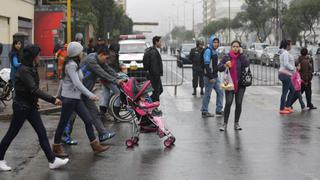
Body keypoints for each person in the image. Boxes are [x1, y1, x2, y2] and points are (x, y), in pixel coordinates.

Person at [0, 45, 69, 171]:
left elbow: (31, 91)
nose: (39, 57)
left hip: (29, 106)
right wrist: (53, 100)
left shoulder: (31, 68)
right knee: (12, 133)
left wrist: (35, 102)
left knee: (41, 132)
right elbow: (33, 89)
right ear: (32, 57)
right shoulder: (24, 70)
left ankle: (52, 160)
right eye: (37, 55)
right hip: (22, 107)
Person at [53, 42, 108, 158]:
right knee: (62, 123)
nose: (83, 53)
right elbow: (77, 83)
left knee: (88, 120)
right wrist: (90, 95)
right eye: (81, 51)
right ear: (77, 53)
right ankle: (56, 147)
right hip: (68, 99)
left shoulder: (76, 64)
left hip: (76, 99)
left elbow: (64, 81)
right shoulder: (71, 65)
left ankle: (95, 145)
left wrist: (57, 95)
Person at [218, 40, 249, 131]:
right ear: (231, 47)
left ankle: (236, 123)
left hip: (240, 84)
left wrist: (242, 54)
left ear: (240, 47)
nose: (235, 48)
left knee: (238, 103)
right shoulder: (226, 57)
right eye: (234, 46)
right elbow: (219, 68)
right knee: (228, 103)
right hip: (230, 83)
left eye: (237, 46)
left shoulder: (242, 57)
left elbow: (247, 64)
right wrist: (224, 65)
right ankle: (224, 124)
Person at [201, 36, 224, 118]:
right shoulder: (208, 51)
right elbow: (206, 65)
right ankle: (204, 111)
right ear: (211, 42)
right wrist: (210, 77)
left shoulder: (214, 51)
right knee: (207, 94)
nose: (216, 44)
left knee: (220, 92)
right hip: (209, 77)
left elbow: (214, 65)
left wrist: (221, 67)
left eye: (217, 42)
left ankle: (219, 109)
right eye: (214, 42)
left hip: (215, 76)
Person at [143, 36, 163, 114]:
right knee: (156, 92)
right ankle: (153, 108)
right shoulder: (154, 52)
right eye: (160, 42)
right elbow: (154, 66)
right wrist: (156, 76)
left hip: (153, 76)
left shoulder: (153, 50)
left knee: (158, 91)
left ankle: (150, 104)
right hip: (154, 76)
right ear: (156, 42)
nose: (161, 43)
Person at [278, 39, 295, 114]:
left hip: (285, 74)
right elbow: (286, 64)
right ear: (287, 45)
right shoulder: (285, 53)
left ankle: (287, 106)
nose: (291, 46)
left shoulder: (284, 52)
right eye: (290, 44)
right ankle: (282, 108)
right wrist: (292, 68)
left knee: (292, 90)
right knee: (284, 92)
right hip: (285, 75)